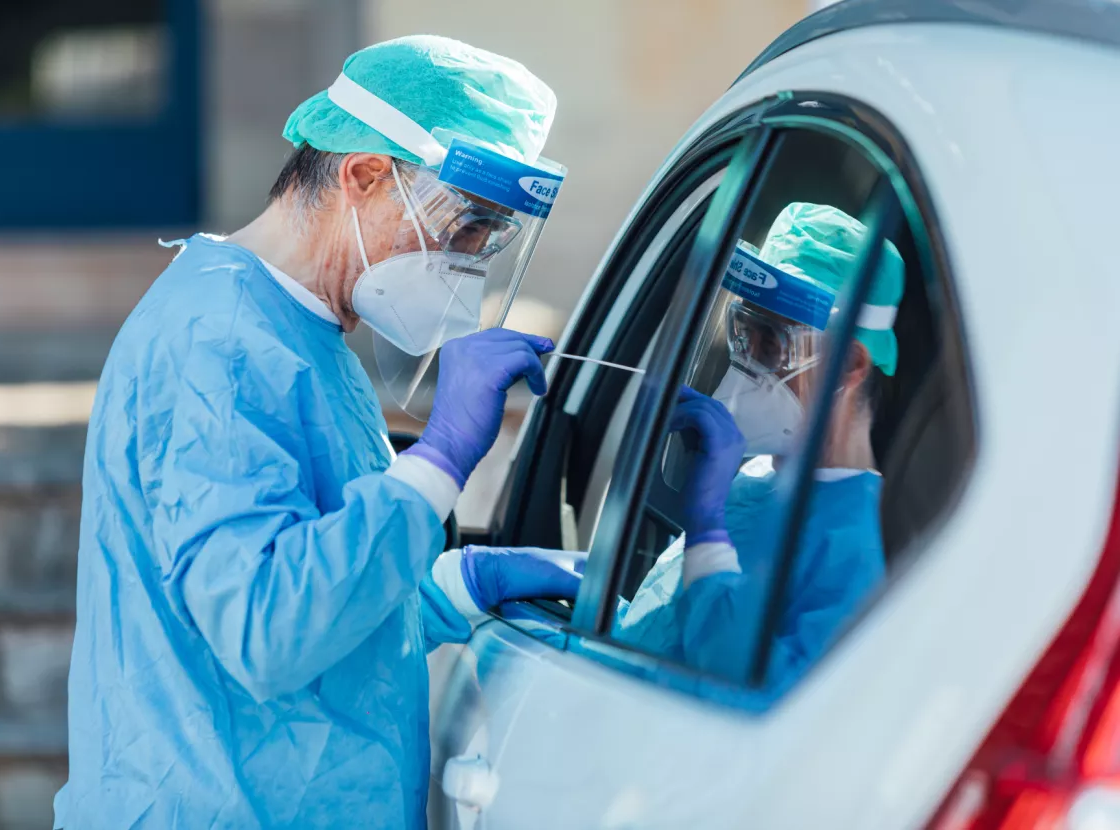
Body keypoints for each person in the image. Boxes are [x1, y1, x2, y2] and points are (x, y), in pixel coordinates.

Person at [55, 36, 580, 829]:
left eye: (489, 241)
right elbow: (267, 627)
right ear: (364, 174)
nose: (467, 265)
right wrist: (438, 460)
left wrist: (454, 586)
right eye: (463, 227)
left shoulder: (298, 333)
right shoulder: (218, 343)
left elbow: (333, 596)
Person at [612, 202, 905, 689]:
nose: (745, 365)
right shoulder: (748, 483)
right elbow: (671, 631)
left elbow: (766, 696)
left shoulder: (865, 538)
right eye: (741, 335)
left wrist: (706, 532)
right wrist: (583, 587)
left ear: (851, 365)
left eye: (771, 342)